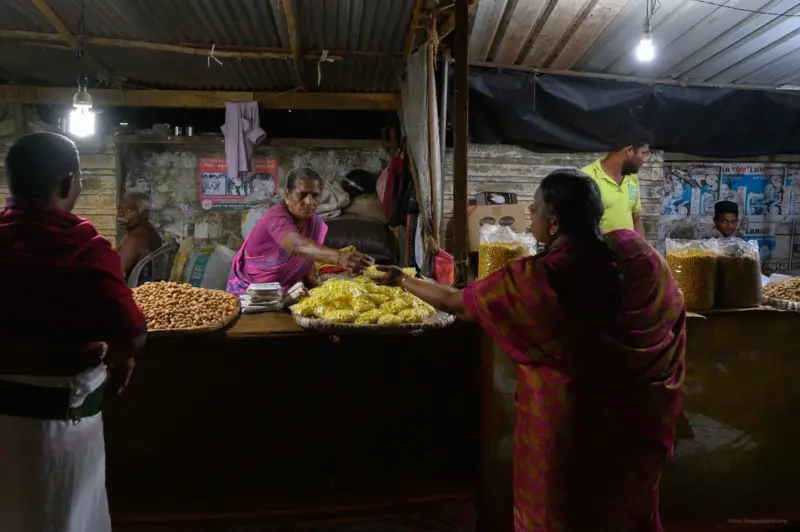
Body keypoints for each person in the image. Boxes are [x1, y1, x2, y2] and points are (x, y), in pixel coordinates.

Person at [374, 169, 686, 531]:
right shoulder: (638, 253)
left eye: (534, 209)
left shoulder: (537, 278)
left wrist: (401, 279)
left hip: (572, 426)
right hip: (638, 424)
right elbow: (673, 307)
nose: (529, 215)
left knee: (565, 513)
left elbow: (457, 303)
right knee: (625, 512)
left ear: (553, 223)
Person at [0, 132, 147, 531]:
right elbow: (132, 333)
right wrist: (120, 355)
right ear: (67, 183)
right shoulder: (83, 246)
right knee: (64, 518)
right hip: (60, 434)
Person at [227, 167, 372, 294]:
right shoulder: (275, 216)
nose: (309, 202)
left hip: (287, 294)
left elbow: (307, 270)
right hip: (251, 296)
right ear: (287, 195)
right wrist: (340, 257)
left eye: (315, 195)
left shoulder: (315, 225)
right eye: (301, 195)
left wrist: (319, 290)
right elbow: (298, 246)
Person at [581, 125, 652, 236]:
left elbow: (636, 219)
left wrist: (642, 250)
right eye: (643, 153)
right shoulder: (586, 178)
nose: (644, 160)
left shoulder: (632, 178)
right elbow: (577, 225)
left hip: (626, 253)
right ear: (629, 150)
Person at [117, 190, 163, 280]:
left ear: (144, 213)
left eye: (129, 209)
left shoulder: (133, 241)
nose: (121, 214)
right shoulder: (151, 232)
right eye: (120, 209)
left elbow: (115, 275)